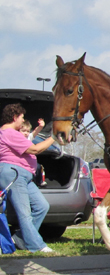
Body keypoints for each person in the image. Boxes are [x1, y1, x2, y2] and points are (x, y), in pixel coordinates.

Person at [0, 104, 57, 253]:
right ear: (14, 117)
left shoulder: (13, 133)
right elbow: (35, 149)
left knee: (42, 206)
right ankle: (37, 246)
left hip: (24, 175)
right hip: (14, 174)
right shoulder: (9, 133)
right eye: (22, 117)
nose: (23, 120)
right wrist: (54, 137)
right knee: (24, 213)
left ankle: (19, 239)